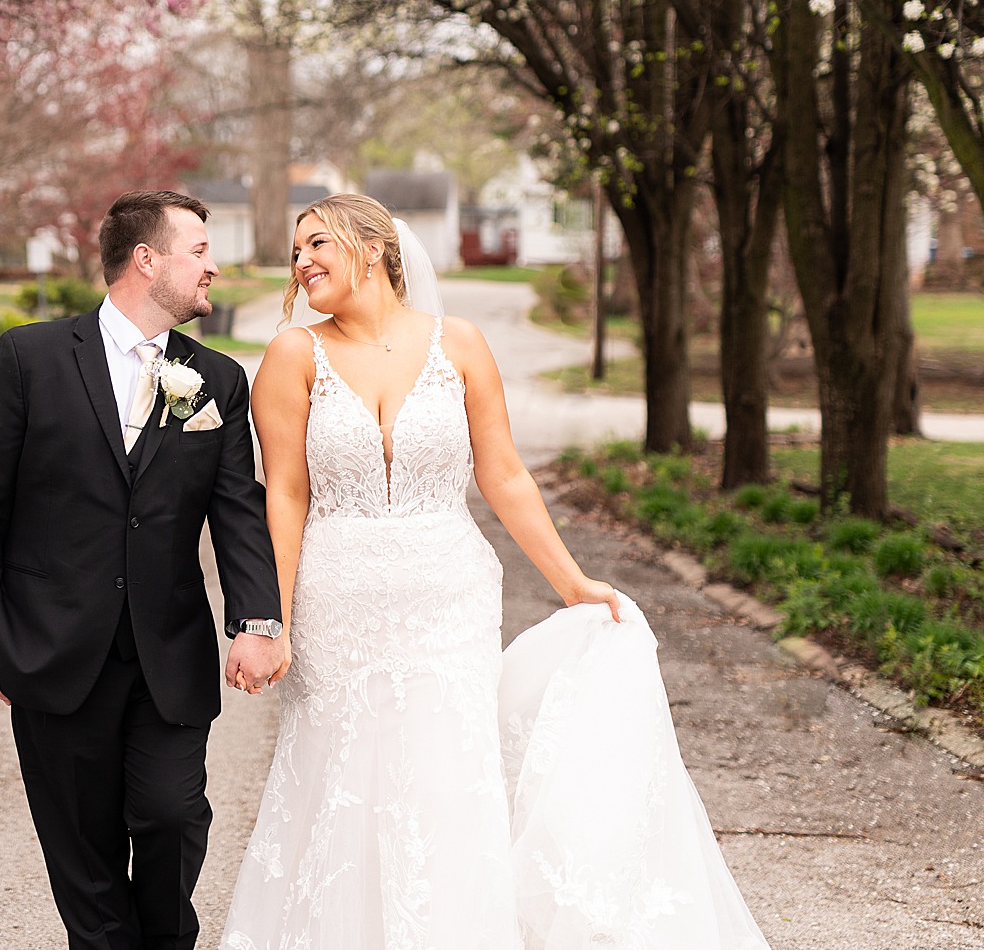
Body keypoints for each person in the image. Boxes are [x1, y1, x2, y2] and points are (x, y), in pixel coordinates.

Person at [221, 192, 770, 950]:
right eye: (296, 251)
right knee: (339, 781)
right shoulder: (292, 356)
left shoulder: (461, 345)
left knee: (448, 781)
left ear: (373, 248)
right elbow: (285, 493)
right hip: (337, 606)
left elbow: (504, 474)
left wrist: (573, 583)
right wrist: (272, 618)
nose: (301, 262)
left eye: (317, 243)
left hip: (448, 602)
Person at [0, 189, 286, 950]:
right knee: (83, 848)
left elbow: (238, 511)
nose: (213, 266)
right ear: (146, 260)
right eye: (199, 251)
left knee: (173, 815)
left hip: (167, 651)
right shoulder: (31, 358)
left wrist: (257, 620)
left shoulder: (217, 381)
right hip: (54, 644)